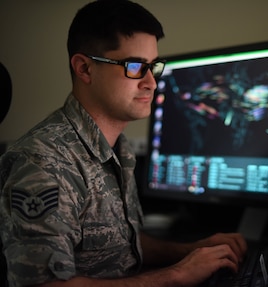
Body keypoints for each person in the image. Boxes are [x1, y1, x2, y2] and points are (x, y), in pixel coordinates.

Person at [0, 0, 248, 286]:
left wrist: (189, 251)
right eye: (134, 66)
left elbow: (117, 244)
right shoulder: (43, 161)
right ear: (84, 68)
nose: (152, 83)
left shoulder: (119, 147)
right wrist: (177, 275)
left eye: (153, 67)